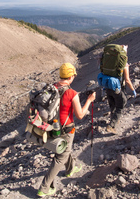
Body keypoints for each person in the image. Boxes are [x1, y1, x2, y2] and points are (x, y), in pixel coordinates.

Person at [37, 63, 96, 197]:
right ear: (71, 76)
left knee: (65, 149)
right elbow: (80, 115)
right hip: (66, 129)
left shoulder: (53, 88)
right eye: (74, 75)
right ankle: (44, 188)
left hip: (51, 127)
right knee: (60, 157)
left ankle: (70, 169)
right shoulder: (71, 93)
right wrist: (89, 100)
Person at [106, 45, 136, 135]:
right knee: (121, 105)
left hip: (108, 86)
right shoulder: (124, 64)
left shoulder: (109, 62)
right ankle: (111, 126)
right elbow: (127, 80)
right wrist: (133, 89)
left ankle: (114, 120)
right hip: (118, 88)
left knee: (113, 105)